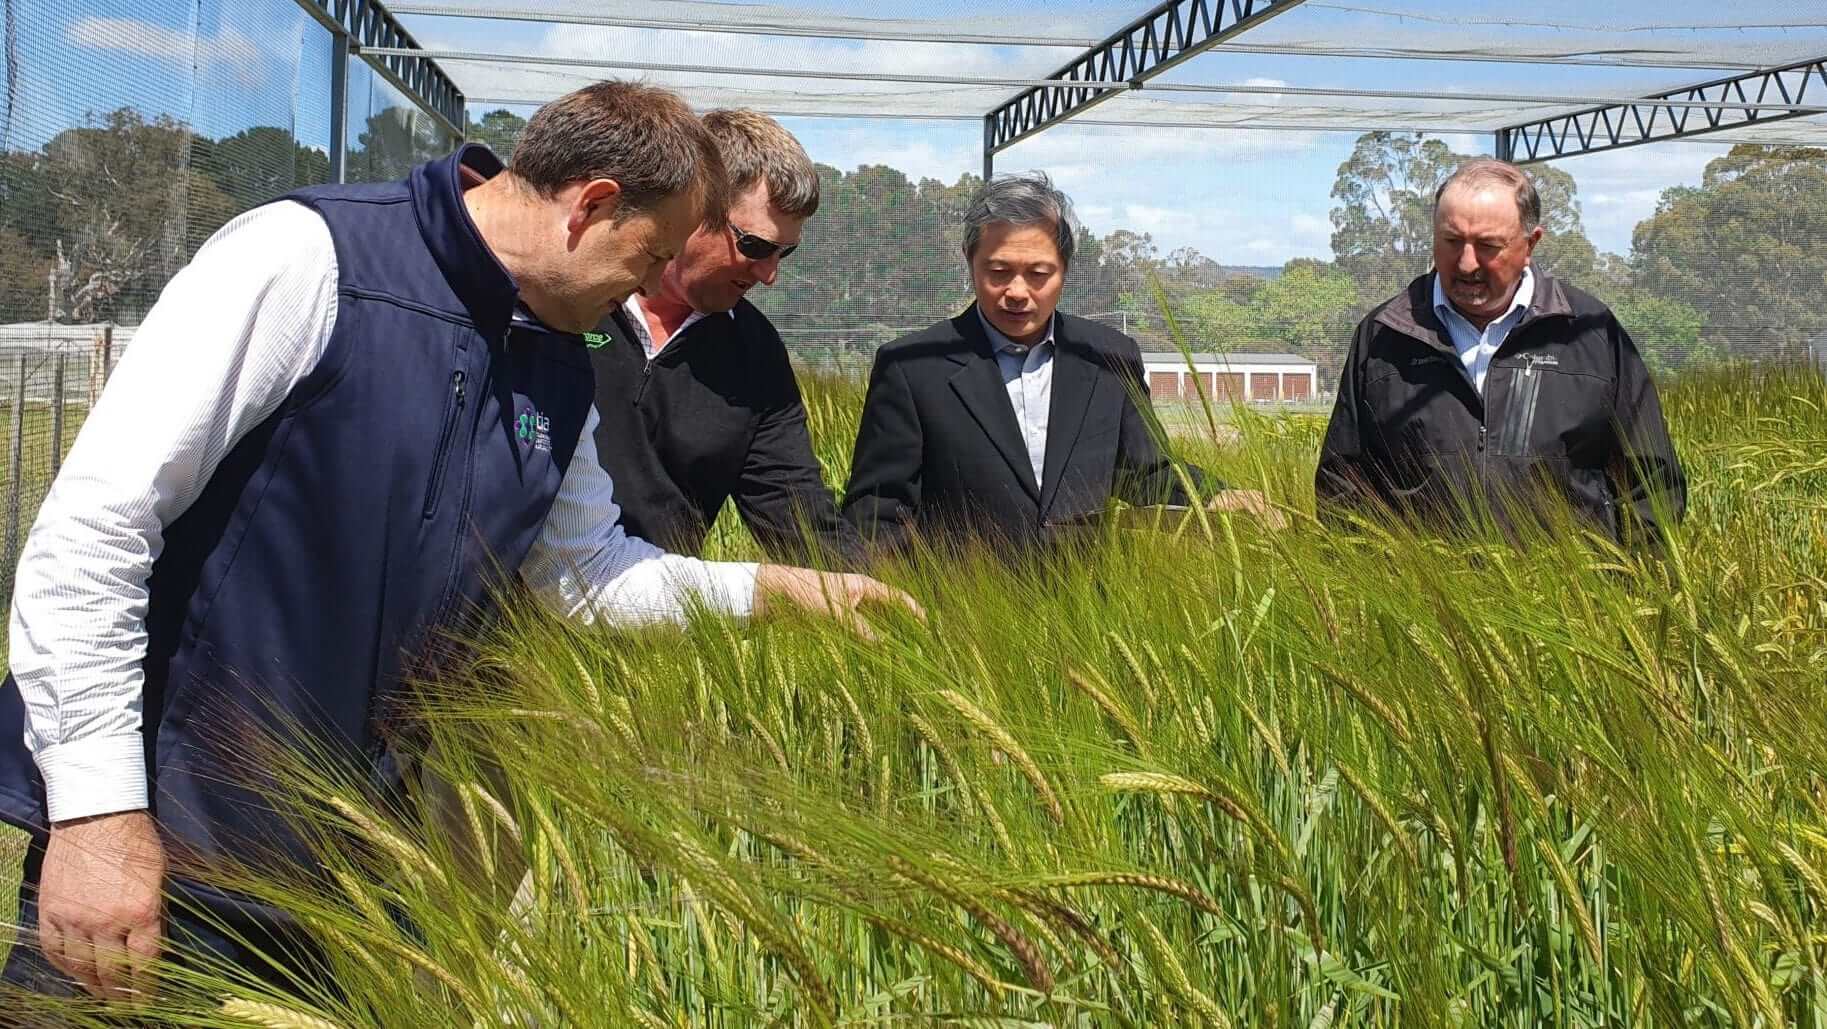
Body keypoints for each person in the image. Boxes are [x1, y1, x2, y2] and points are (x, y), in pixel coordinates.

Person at [0, 81, 916, 1001]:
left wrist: (780, 591)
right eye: (654, 252)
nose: (653, 283)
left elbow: (586, 573)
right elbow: (95, 530)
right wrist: (98, 813)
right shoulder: (308, 258)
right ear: (591, 204)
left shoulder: (560, 361)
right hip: (170, 843)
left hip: (348, 863)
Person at [841, 173, 1279, 557]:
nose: (1017, 291)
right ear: (970, 263)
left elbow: (1146, 473)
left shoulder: (1110, 356)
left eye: (1038, 273)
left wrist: (1215, 496)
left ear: (1064, 269)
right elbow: (879, 513)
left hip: (1088, 613)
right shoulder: (912, 368)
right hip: (959, 619)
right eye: (998, 271)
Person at [1315, 158, 1685, 542]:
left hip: (1568, 594)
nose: (1466, 263)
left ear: (1531, 244)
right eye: (1452, 241)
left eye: (1488, 246)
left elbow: (1652, 482)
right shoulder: (1384, 336)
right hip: (1418, 596)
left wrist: (1626, 587)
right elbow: (1343, 484)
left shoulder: (1588, 333)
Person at [587, 109, 862, 566]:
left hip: (657, 619)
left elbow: (796, 513)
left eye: (784, 252)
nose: (769, 275)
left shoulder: (754, 351)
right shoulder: (575, 304)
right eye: (754, 246)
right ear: (695, 206)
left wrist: (880, 603)